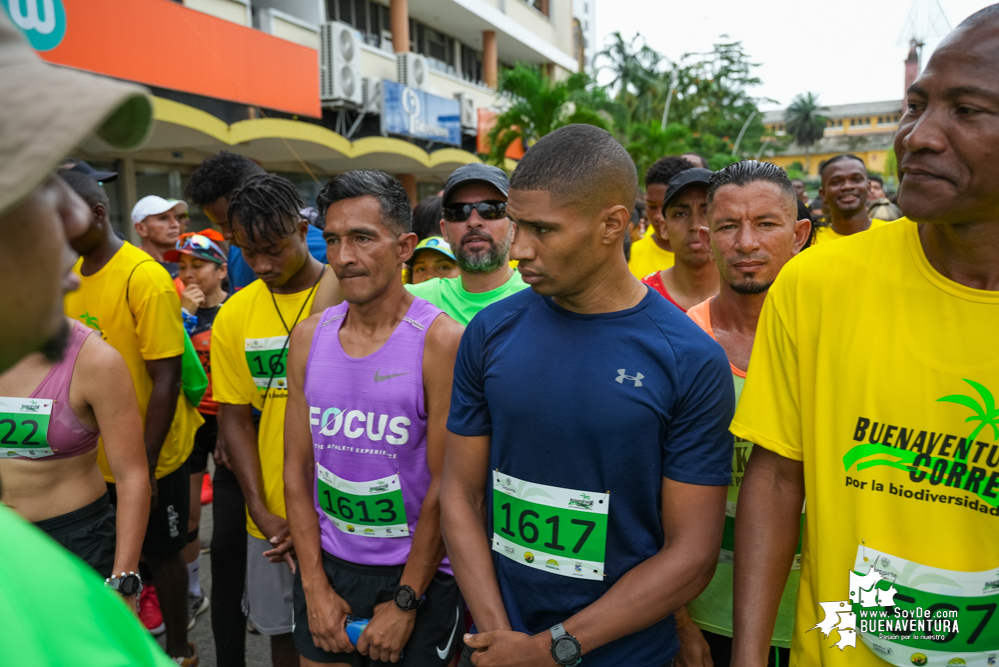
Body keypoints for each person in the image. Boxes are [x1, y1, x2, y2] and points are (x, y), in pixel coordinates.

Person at [731, 7, 999, 667]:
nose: (918, 137)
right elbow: (773, 479)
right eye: (916, 104)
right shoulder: (816, 282)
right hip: (839, 645)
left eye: (966, 109)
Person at [440, 124, 735, 667]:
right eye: (518, 225)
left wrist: (549, 649)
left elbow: (691, 556)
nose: (519, 248)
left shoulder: (689, 359)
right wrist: (500, 638)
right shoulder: (489, 332)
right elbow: (460, 494)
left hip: (623, 654)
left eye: (543, 230)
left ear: (612, 225)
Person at [0, 11, 183, 665]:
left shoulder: (94, 354)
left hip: (79, 537)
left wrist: (123, 575)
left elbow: (136, 467)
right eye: (30, 192)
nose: (77, 220)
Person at [284, 170, 465, 666]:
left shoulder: (440, 342)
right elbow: (297, 474)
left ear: (405, 246)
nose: (344, 257)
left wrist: (406, 601)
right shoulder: (307, 338)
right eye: (334, 240)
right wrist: (314, 585)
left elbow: (445, 487)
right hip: (330, 567)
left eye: (363, 238)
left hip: (417, 574)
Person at [671, 161, 810, 667]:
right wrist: (679, 622)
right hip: (705, 618)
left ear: (798, 235)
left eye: (766, 224)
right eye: (729, 226)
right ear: (707, 238)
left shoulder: (835, 340)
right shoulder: (677, 344)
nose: (746, 243)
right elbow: (645, 494)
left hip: (822, 614)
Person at [64, 171, 203, 665]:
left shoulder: (143, 276)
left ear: (99, 215)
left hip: (151, 451)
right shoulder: (69, 273)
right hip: (91, 456)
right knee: (115, 557)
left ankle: (181, 650)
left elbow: (164, 377)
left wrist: (140, 464)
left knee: (161, 553)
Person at [212, 174, 329, 667]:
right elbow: (235, 418)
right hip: (274, 519)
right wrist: (259, 508)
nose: (261, 264)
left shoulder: (348, 293)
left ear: (303, 229)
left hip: (352, 513)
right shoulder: (234, 315)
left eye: (274, 248)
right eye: (247, 251)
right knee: (284, 635)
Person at [168, 233, 230, 630]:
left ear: (221, 270)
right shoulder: (175, 309)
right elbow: (167, 362)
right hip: (190, 420)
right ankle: (193, 592)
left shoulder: (236, 308)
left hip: (230, 421)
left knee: (234, 517)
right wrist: (184, 317)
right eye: (183, 266)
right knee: (190, 516)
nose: (188, 273)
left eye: (198, 265)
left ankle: (245, 592)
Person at [184, 151, 329, 291]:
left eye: (228, 224)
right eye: (251, 253)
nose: (226, 235)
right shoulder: (237, 251)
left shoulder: (328, 253)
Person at [406, 164, 528, 325]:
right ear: (445, 230)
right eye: (459, 211)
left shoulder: (544, 296)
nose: (474, 222)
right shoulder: (413, 300)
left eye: (491, 209)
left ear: (513, 227)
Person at [642, 168, 720, 311]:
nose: (695, 225)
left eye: (707, 212)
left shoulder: (749, 294)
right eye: (680, 214)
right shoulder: (642, 299)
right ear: (664, 228)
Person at [629, 156, 696, 279]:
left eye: (669, 207)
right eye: (652, 206)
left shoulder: (713, 258)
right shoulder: (631, 256)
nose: (658, 216)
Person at [811, 154, 890, 244]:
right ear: (823, 194)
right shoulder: (811, 241)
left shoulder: (891, 233)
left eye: (856, 179)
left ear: (868, 188)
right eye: (836, 182)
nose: (847, 187)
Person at [132, 195, 190, 278]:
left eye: (176, 218)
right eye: (163, 218)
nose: (176, 224)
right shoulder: (132, 268)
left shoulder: (191, 260)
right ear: (141, 228)